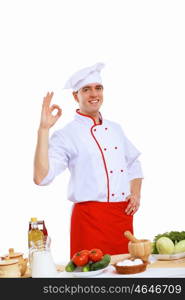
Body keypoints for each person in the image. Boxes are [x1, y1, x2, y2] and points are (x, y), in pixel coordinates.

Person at [33, 62, 144, 258]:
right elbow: (42, 178)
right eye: (86, 89)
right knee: (89, 282)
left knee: (126, 276)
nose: (94, 94)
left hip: (122, 219)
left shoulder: (116, 129)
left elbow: (133, 164)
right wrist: (43, 130)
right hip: (90, 221)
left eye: (98, 88)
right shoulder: (66, 135)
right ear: (76, 96)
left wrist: (135, 194)